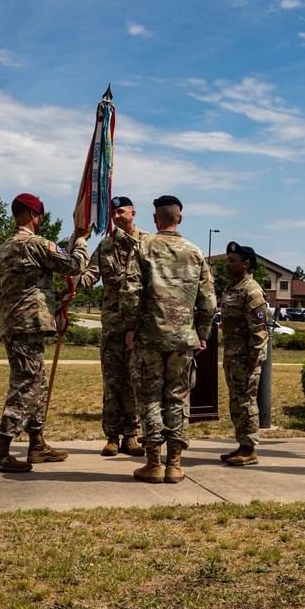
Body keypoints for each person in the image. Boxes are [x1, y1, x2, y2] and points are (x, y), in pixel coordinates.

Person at [0, 193, 90, 473]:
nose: (40, 220)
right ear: (33, 214)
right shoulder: (35, 244)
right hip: (28, 322)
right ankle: (0, 451)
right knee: (27, 384)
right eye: (40, 216)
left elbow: (26, 283)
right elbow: (74, 264)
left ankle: (37, 444)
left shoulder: (5, 247)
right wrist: (80, 240)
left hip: (13, 321)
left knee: (38, 383)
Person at [122, 195, 215, 484]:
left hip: (149, 340)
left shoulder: (142, 247)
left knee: (149, 399)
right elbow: (209, 302)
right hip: (182, 342)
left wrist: (129, 327)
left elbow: (130, 292)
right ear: (180, 218)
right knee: (178, 399)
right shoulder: (195, 252)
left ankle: (154, 464)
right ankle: (174, 465)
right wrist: (202, 334)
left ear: (154, 218)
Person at [76, 196, 147, 458]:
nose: (116, 216)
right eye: (113, 213)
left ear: (132, 213)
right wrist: (71, 278)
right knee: (112, 382)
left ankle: (131, 435)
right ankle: (111, 436)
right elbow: (90, 276)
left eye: (120, 212)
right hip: (113, 327)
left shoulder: (147, 245)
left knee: (134, 382)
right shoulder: (105, 246)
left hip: (139, 327)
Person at [219, 242, 269, 466]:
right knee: (236, 401)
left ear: (246, 264)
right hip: (232, 355)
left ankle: (250, 449)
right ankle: (242, 445)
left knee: (247, 402)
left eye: (233, 261)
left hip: (246, 358)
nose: (228, 264)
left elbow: (259, 329)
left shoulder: (252, 291)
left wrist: (254, 356)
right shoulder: (231, 287)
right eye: (228, 260)